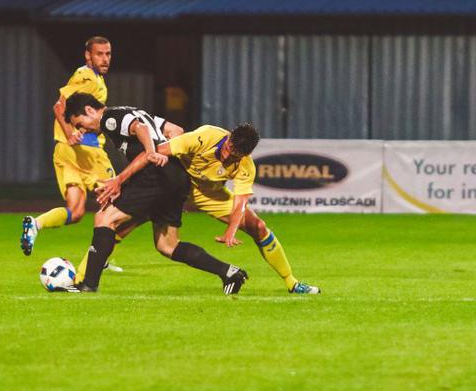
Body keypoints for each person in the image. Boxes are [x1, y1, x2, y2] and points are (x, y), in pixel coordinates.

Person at [97, 123, 321, 294]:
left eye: (236, 155)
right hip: (176, 183)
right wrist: (122, 181)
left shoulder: (246, 165)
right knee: (120, 226)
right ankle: (85, 278)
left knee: (258, 226)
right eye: (230, 148)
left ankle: (292, 283)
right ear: (229, 137)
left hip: (208, 194)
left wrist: (231, 231)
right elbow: (155, 152)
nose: (228, 155)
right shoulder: (204, 136)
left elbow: (240, 202)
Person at [61, 93, 248, 294]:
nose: (82, 130)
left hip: (154, 175)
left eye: (79, 124)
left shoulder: (108, 118)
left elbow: (140, 128)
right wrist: (171, 173)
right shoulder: (133, 110)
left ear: (89, 110)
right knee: (167, 245)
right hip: (175, 177)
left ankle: (88, 285)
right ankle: (229, 272)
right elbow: (176, 130)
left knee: (105, 218)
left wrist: (148, 154)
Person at [20, 37, 117, 260]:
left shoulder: (95, 78)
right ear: (88, 55)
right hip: (87, 152)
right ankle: (99, 258)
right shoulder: (86, 77)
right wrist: (70, 133)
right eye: (99, 54)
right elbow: (59, 106)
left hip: (64, 151)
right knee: (116, 200)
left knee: (76, 211)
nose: (105, 58)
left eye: (108, 54)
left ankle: (35, 224)